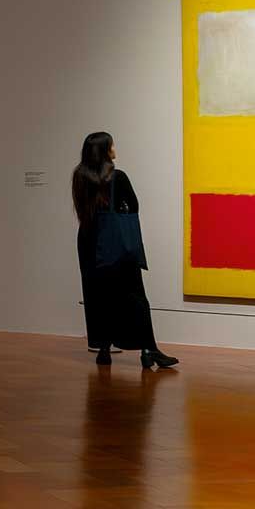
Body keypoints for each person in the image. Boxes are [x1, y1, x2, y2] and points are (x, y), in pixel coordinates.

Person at [73, 132, 178, 370]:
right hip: (115, 243)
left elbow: (82, 209)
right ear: (105, 150)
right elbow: (133, 205)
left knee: (99, 296)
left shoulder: (80, 177)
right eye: (112, 145)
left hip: (89, 242)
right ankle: (148, 350)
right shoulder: (117, 176)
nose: (115, 148)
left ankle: (103, 349)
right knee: (134, 296)